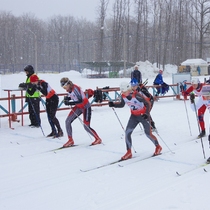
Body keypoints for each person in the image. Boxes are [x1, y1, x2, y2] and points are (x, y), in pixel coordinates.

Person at [108, 81, 162, 160]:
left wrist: (147, 114)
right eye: (122, 91)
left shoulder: (136, 95)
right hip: (134, 116)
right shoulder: (123, 96)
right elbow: (122, 105)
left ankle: (158, 147)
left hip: (143, 116)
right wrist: (114, 104)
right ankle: (129, 152)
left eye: (124, 91)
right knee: (127, 133)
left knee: (148, 134)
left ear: (128, 89)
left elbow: (148, 103)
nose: (123, 93)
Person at [60, 77, 102, 147]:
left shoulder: (75, 88)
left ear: (68, 84)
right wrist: (68, 98)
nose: (64, 88)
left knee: (86, 126)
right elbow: (74, 97)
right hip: (78, 107)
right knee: (67, 121)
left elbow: (80, 100)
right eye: (62, 87)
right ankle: (70, 140)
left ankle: (98, 139)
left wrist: (69, 103)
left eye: (64, 86)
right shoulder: (69, 90)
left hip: (85, 107)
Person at [190, 85, 210, 163]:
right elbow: (194, 108)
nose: (206, 98)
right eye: (205, 96)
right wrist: (192, 100)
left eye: (208, 96)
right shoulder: (203, 98)